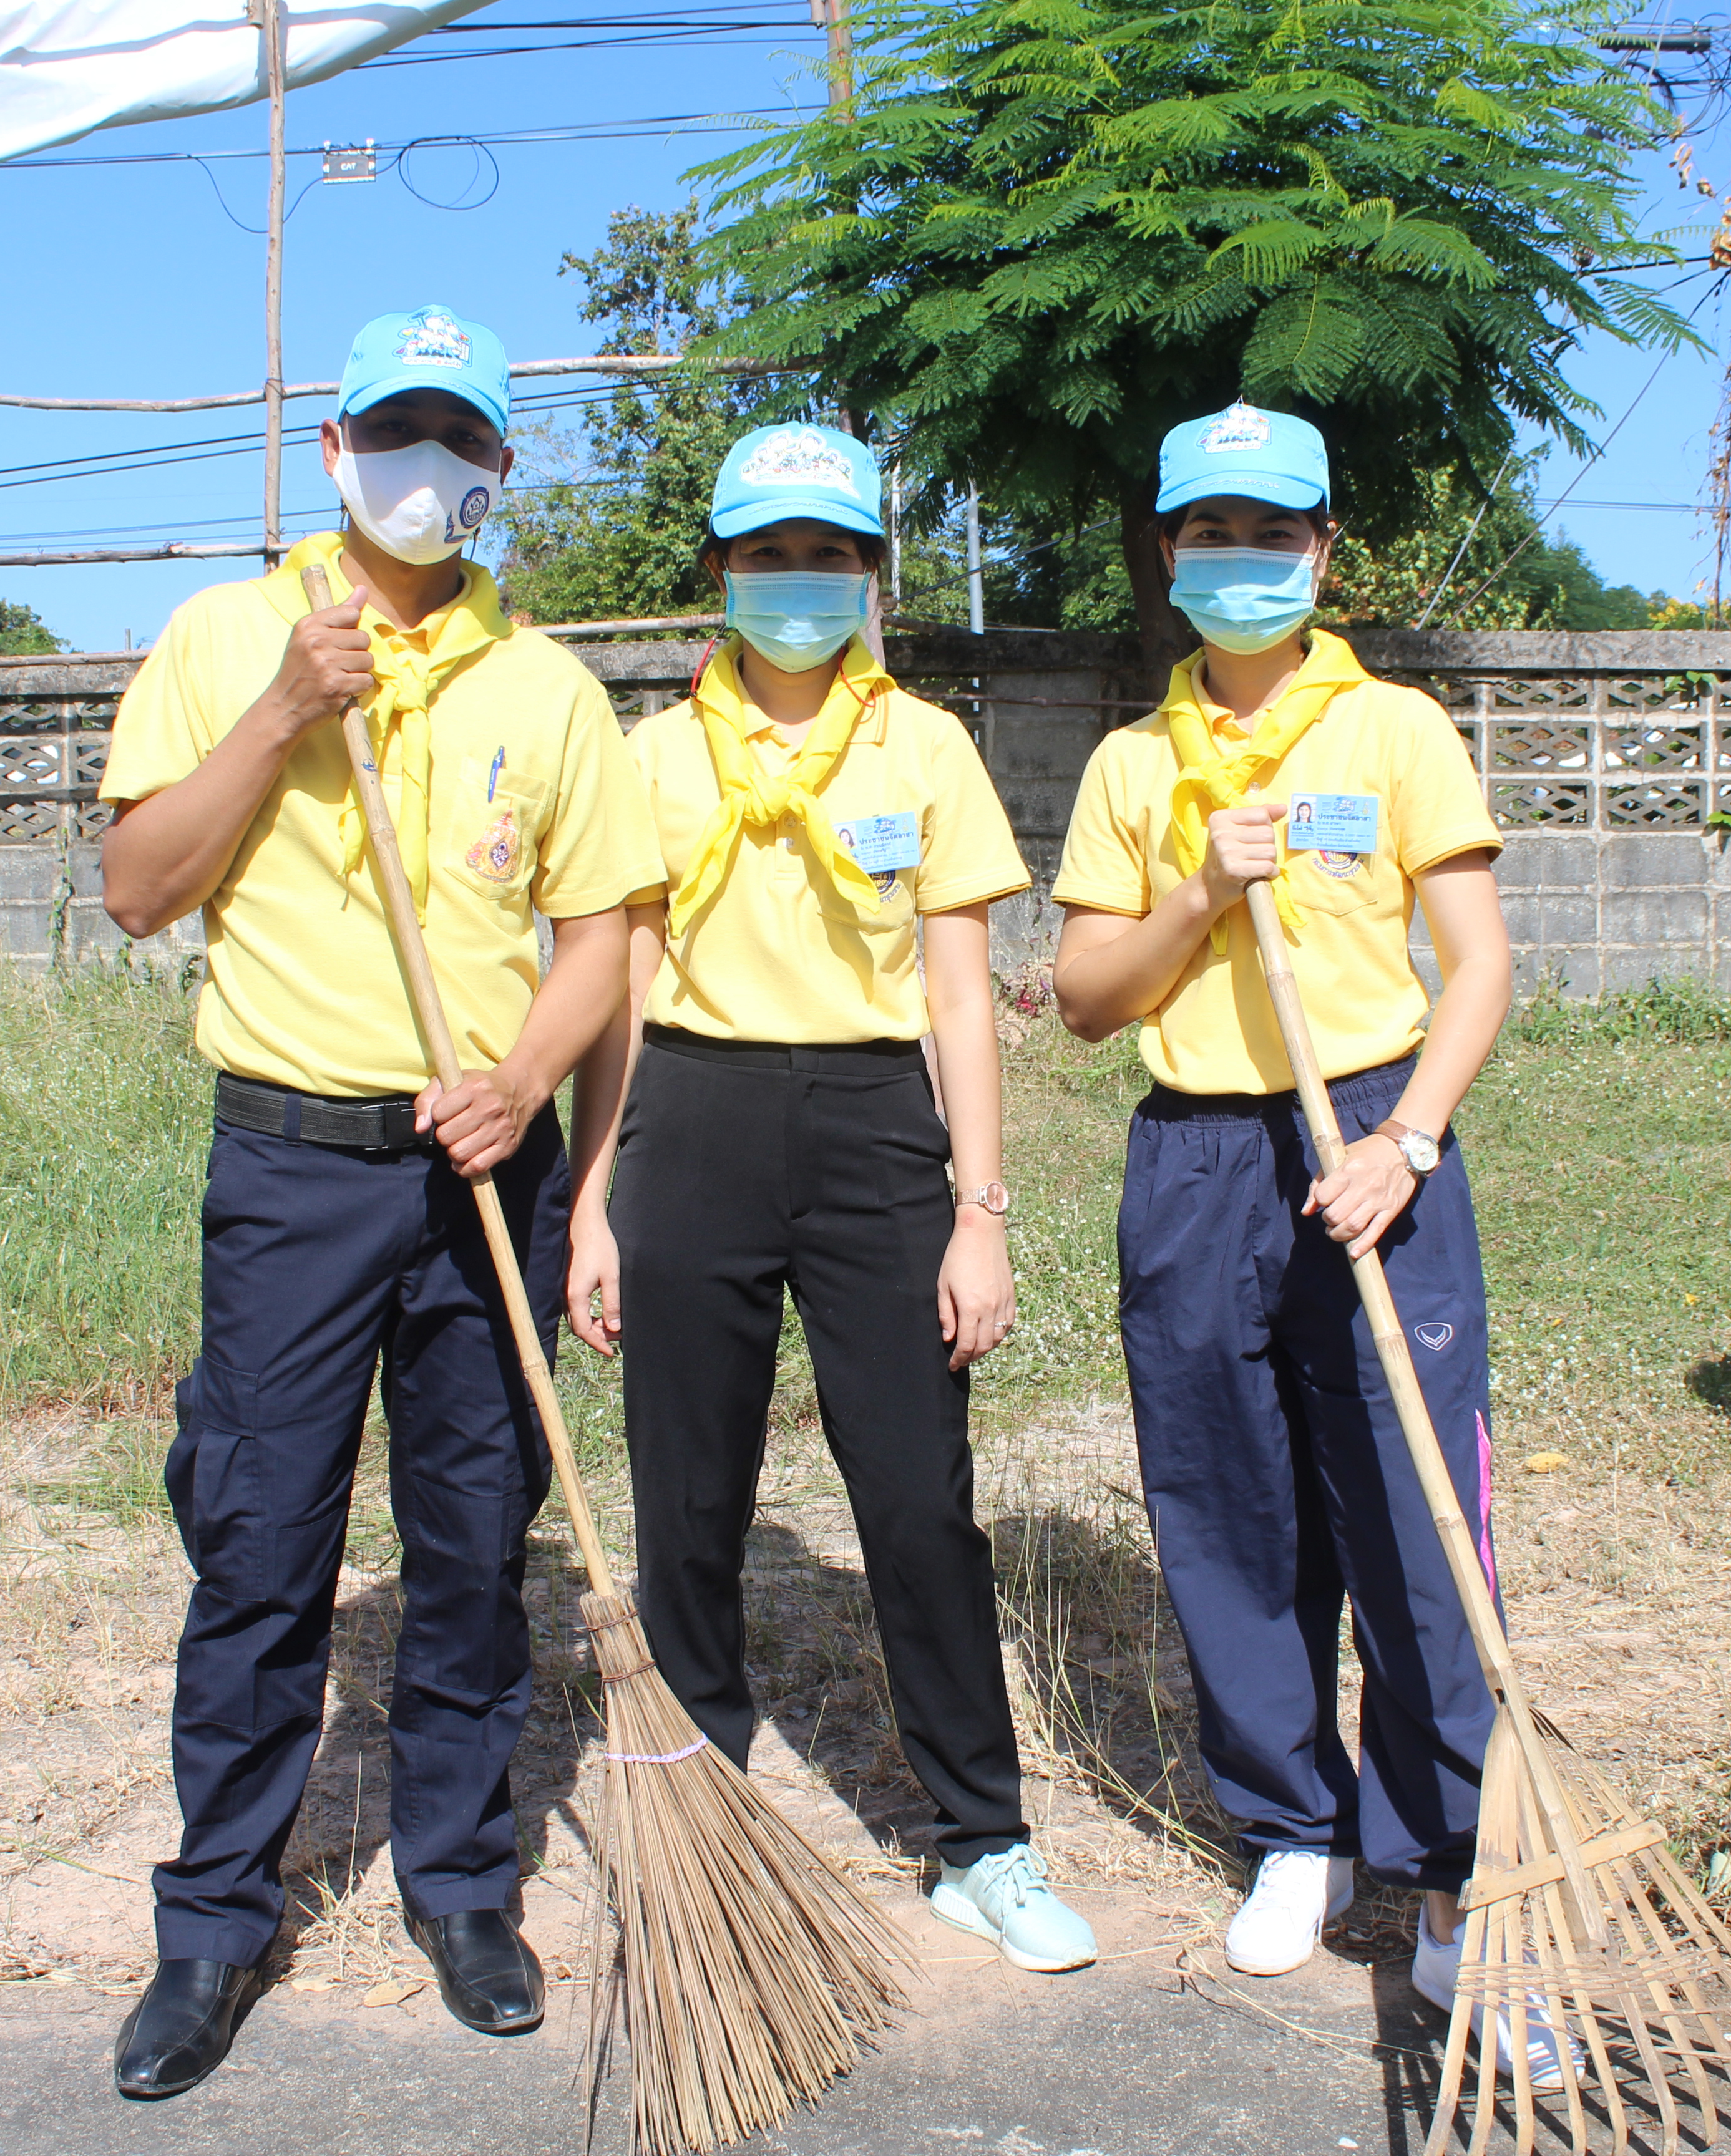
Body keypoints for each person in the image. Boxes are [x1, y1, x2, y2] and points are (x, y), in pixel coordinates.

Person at [94, 303, 665, 2097]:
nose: (430, 468)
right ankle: (214, 1923)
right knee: (260, 1544)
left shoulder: (550, 688)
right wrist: (283, 711)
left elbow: (604, 938)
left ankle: (462, 1883)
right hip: (289, 1168)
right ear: (333, 453)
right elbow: (136, 886)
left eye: (463, 440)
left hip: (476, 1165)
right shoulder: (221, 640)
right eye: (395, 433)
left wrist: (523, 1089)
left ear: (497, 471)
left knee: (477, 1545)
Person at [1048, 403, 1556, 2070]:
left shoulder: (1396, 731)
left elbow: (1476, 964)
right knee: (1228, 1504)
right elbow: (1082, 1001)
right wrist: (1197, 889)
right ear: (1168, 554)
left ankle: (1441, 1862)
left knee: (1414, 1509)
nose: (1240, 561)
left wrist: (1411, 1139)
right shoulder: (1136, 766)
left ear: (1324, 551)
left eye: (1272, 534)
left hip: (1377, 1139)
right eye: (1209, 534)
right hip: (1200, 1155)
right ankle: (1292, 1831)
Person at [563, 422, 1096, 1973]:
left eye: (829, 557)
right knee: (690, 1499)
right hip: (693, 1114)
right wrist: (595, 1200)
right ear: (721, 572)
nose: (800, 585)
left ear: (871, 574)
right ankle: (701, 1816)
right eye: (769, 556)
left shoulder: (923, 746)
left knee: (920, 1498)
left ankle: (981, 1837)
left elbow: (958, 995)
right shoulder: (650, 759)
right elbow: (621, 989)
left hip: (875, 1132)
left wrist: (978, 1210)